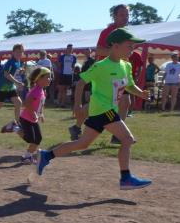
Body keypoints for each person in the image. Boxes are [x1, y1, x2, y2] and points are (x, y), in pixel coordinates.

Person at [38, 28, 152, 190]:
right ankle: (126, 178)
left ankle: (46, 155)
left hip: (106, 111)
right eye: (129, 46)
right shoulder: (100, 66)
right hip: (103, 109)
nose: (132, 50)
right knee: (127, 139)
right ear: (115, 46)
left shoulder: (126, 65)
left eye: (133, 46)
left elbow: (130, 86)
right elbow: (80, 83)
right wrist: (77, 105)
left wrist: (141, 94)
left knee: (82, 144)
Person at [70, 4, 129, 141]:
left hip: (120, 71)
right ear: (114, 16)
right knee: (99, 104)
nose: (125, 17)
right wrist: (116, 52)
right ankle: (77, 126)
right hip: (106, 72)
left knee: (125, 101)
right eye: (122, 15)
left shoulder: (127, 33)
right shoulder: (108, 31)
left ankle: (118, 135)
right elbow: (99, 50)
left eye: (127, 15)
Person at [19, 67, 51, 164]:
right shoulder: (36, 90)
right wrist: (33, 113)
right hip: (26, 118)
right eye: (47, 77)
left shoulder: (41, 90)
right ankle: (14, 127)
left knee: (38, 139)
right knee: (31, 139)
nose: (50, 79)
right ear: (39, 79)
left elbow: (40, 104)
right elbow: (26, 103)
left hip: (33, 119)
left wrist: (41, 114)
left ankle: (27, 157)